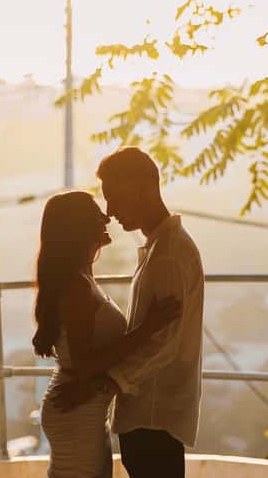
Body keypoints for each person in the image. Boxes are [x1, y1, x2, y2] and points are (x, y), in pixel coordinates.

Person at [52, 147, 205, 478]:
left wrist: (101, 386)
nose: (110, 211)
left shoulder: (167, 256)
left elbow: (164, 345)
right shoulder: (161, 249)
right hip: (147, 415)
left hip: (153, 415)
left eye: (114, 197)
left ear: (141, 188)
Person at [34, 190, 181, 478]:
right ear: (78, 226)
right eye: (96, 213)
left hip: (81, 406)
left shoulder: (81, 279)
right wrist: (148, 328)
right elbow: (84, 363)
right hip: (76, 409)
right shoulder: (76, 286)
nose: (106, 217)